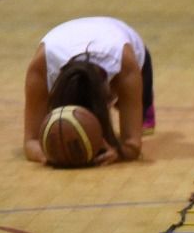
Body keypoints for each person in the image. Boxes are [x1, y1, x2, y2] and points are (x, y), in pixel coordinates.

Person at [22, 16, 154, 166]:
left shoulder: (124, 63)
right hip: (68, 38)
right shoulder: (41, 67)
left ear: (108, 96)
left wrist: (119, 153)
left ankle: (146, 103)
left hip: (127, 42)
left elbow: (133, 145)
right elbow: (31, 141)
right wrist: (49, 155)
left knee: (135, 110)